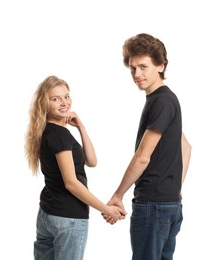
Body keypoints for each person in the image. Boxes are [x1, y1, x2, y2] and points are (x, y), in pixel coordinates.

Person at [102, 33, 192, 260]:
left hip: (153, 207)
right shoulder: (167, 100)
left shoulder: (161, 101)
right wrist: (173, 189)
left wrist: (117, 195)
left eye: (143, 67)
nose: (136, 74)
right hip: (169, 204)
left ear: (161, 66)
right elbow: (186, 146)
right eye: (132, 68)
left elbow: (142, 157)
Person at [25, 75, 126, 260]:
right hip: (68, 218)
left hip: (47, 215)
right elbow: (71, 183)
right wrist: (106, 209)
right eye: (55, 99)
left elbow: (92, 161)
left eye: (67, 96)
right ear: (44, 104)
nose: (64, 103)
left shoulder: (49, 131)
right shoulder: (60, 135)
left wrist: (80, 127)